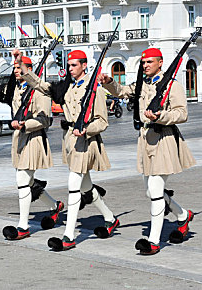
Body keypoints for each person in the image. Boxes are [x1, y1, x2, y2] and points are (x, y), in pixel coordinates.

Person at [17, 49, 119, 252]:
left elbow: (102, 121)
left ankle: (69, 236)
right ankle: (110, 218)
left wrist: (86, 130)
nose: (70, 69)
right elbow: (41, 85)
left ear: (83, 66)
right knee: (85, 187)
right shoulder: (66, 87)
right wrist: (22, 66)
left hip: (86, 141)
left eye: (74, 65)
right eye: (69, 65)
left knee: (73, 185)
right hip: (70, 140)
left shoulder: (95, 88)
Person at [99, 47, 196, 255]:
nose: (145, 65)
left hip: (164, 139)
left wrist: (160, 116)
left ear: (160, 63)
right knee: (151, 191)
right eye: (143, 63)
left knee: (154, 189)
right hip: (144, 141)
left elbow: (182, 114)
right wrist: (109, 83)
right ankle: (182, 215)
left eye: (149, 62)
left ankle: (153, 241)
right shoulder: (143, 84)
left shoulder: (172, 85)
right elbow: (123, 91)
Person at [0, 58, 64, 241]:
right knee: (28, 183)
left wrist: (25, 124)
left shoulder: (40, 91)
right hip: (19, 140)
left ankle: (23, 226)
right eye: (14, 68)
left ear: (28, 69)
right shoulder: (15, 88)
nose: (15, 71)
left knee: (22, 180)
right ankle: (55, 206)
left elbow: (46, 120)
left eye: (19, 68)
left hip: (34, 139)